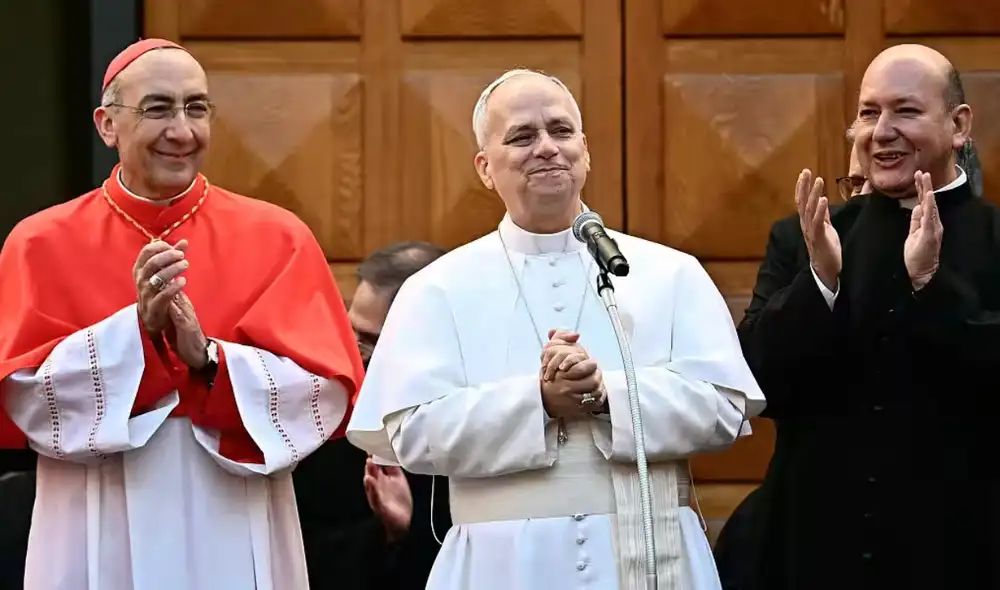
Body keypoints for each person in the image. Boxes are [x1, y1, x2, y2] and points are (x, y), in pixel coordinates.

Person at [345, 68, 766, 590]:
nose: (546, 147)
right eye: (522, 136)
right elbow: (409, 432)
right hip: (502, 567)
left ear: (584, 150)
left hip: (653, 553)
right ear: (484, 167)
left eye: (561, 131)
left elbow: (724, 407)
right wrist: (539, 401)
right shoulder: (436, 289)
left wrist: (605, 393)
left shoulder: (670, 272)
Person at [0, 38, 364, 590]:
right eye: (158, 109)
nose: (182, 130)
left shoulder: (277, 237)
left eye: (196, 108)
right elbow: (25, 396)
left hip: (233, 503)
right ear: (107, 125)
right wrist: (136, 337)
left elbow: (325, 393)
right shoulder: (40, 243)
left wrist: (208, 360)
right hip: (95, 506)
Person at [735, 44, 1000, 589]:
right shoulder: (805, 237)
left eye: (905, 111)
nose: (881, 131)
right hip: (811, 553)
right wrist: (820, 282)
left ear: (958, 125)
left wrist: (931, 285)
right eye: (869, 112)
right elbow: (757, 383)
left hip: (957, 551)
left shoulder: (995, 239)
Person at [713, 138, 869, 590]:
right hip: (807, 527)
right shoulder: (800, 238)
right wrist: (821, 279)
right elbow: (753, 374)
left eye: (880, 189)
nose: (863, 204)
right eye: (855, 185)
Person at [296, 241, 450, 590]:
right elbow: (308, 550)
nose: (353, 352)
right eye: (349, 330)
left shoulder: (473, 413)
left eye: (368, 340)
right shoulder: (329, 411)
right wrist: (387, 534)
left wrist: (410, 530)